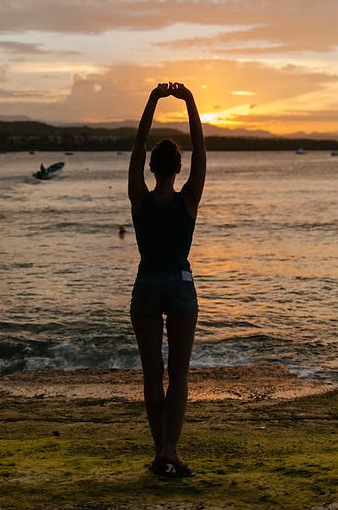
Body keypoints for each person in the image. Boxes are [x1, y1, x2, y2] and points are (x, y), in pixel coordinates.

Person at [128, 81, 206, 478]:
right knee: (178, 375)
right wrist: (190, 101)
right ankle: (171, 450)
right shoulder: (188, 199)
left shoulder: (139, 197)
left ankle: (159, 450)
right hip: (179, 285)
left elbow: (137, 147)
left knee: (151, 374)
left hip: (146, 285)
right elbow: (202, 151)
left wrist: (153, 100)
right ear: (177, 168)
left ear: (151, 168)